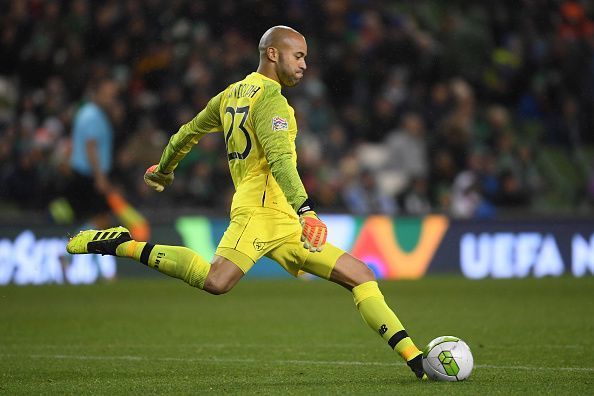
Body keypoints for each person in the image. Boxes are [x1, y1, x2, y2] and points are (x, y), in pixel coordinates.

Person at [67, 26, 426, 379]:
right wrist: (307, 211)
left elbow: (187, 132)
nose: (304, 65)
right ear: (273, 53)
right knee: (216, 280)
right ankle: (121, 245)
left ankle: (417, 360)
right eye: (298, 56)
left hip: (281, 217)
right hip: (260, 211)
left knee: (360, 275)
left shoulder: (230, 95)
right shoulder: (273, 101)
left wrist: (163, 169)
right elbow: (281, 160)